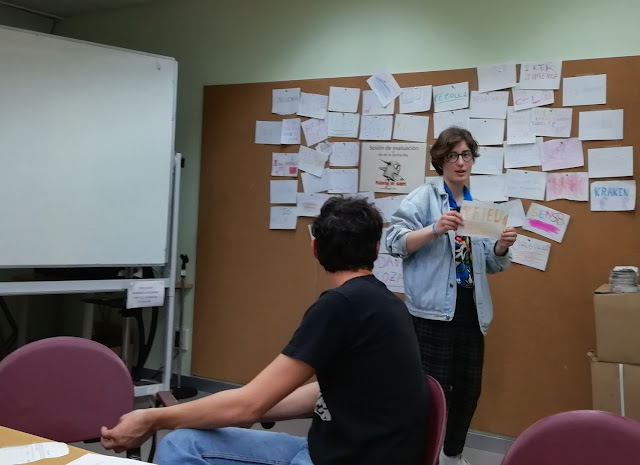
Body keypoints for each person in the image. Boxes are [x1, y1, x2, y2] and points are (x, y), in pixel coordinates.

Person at [101, 197, 430, 465]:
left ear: (315, 249)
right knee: (187, 441)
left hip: (339, 459)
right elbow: (325, 392)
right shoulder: (385, 303)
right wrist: (239, 409)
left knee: (178, 446)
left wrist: (152, 419)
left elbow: (248, 405)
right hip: (348, 451)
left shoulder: (340, 305)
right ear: (376, 248)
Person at [386, 126, 517, 465]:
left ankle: (452, 455)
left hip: (471, 309)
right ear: (440, 161)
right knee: (432, 392)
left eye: (466, 155)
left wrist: (501, 248)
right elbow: (394, 243)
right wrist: (434, 229)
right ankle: (422, 455)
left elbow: (489, 264)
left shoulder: (477, 207)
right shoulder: (423, 198)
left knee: (469, 389)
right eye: (453, 156)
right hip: (432, 312)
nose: (460, 162)